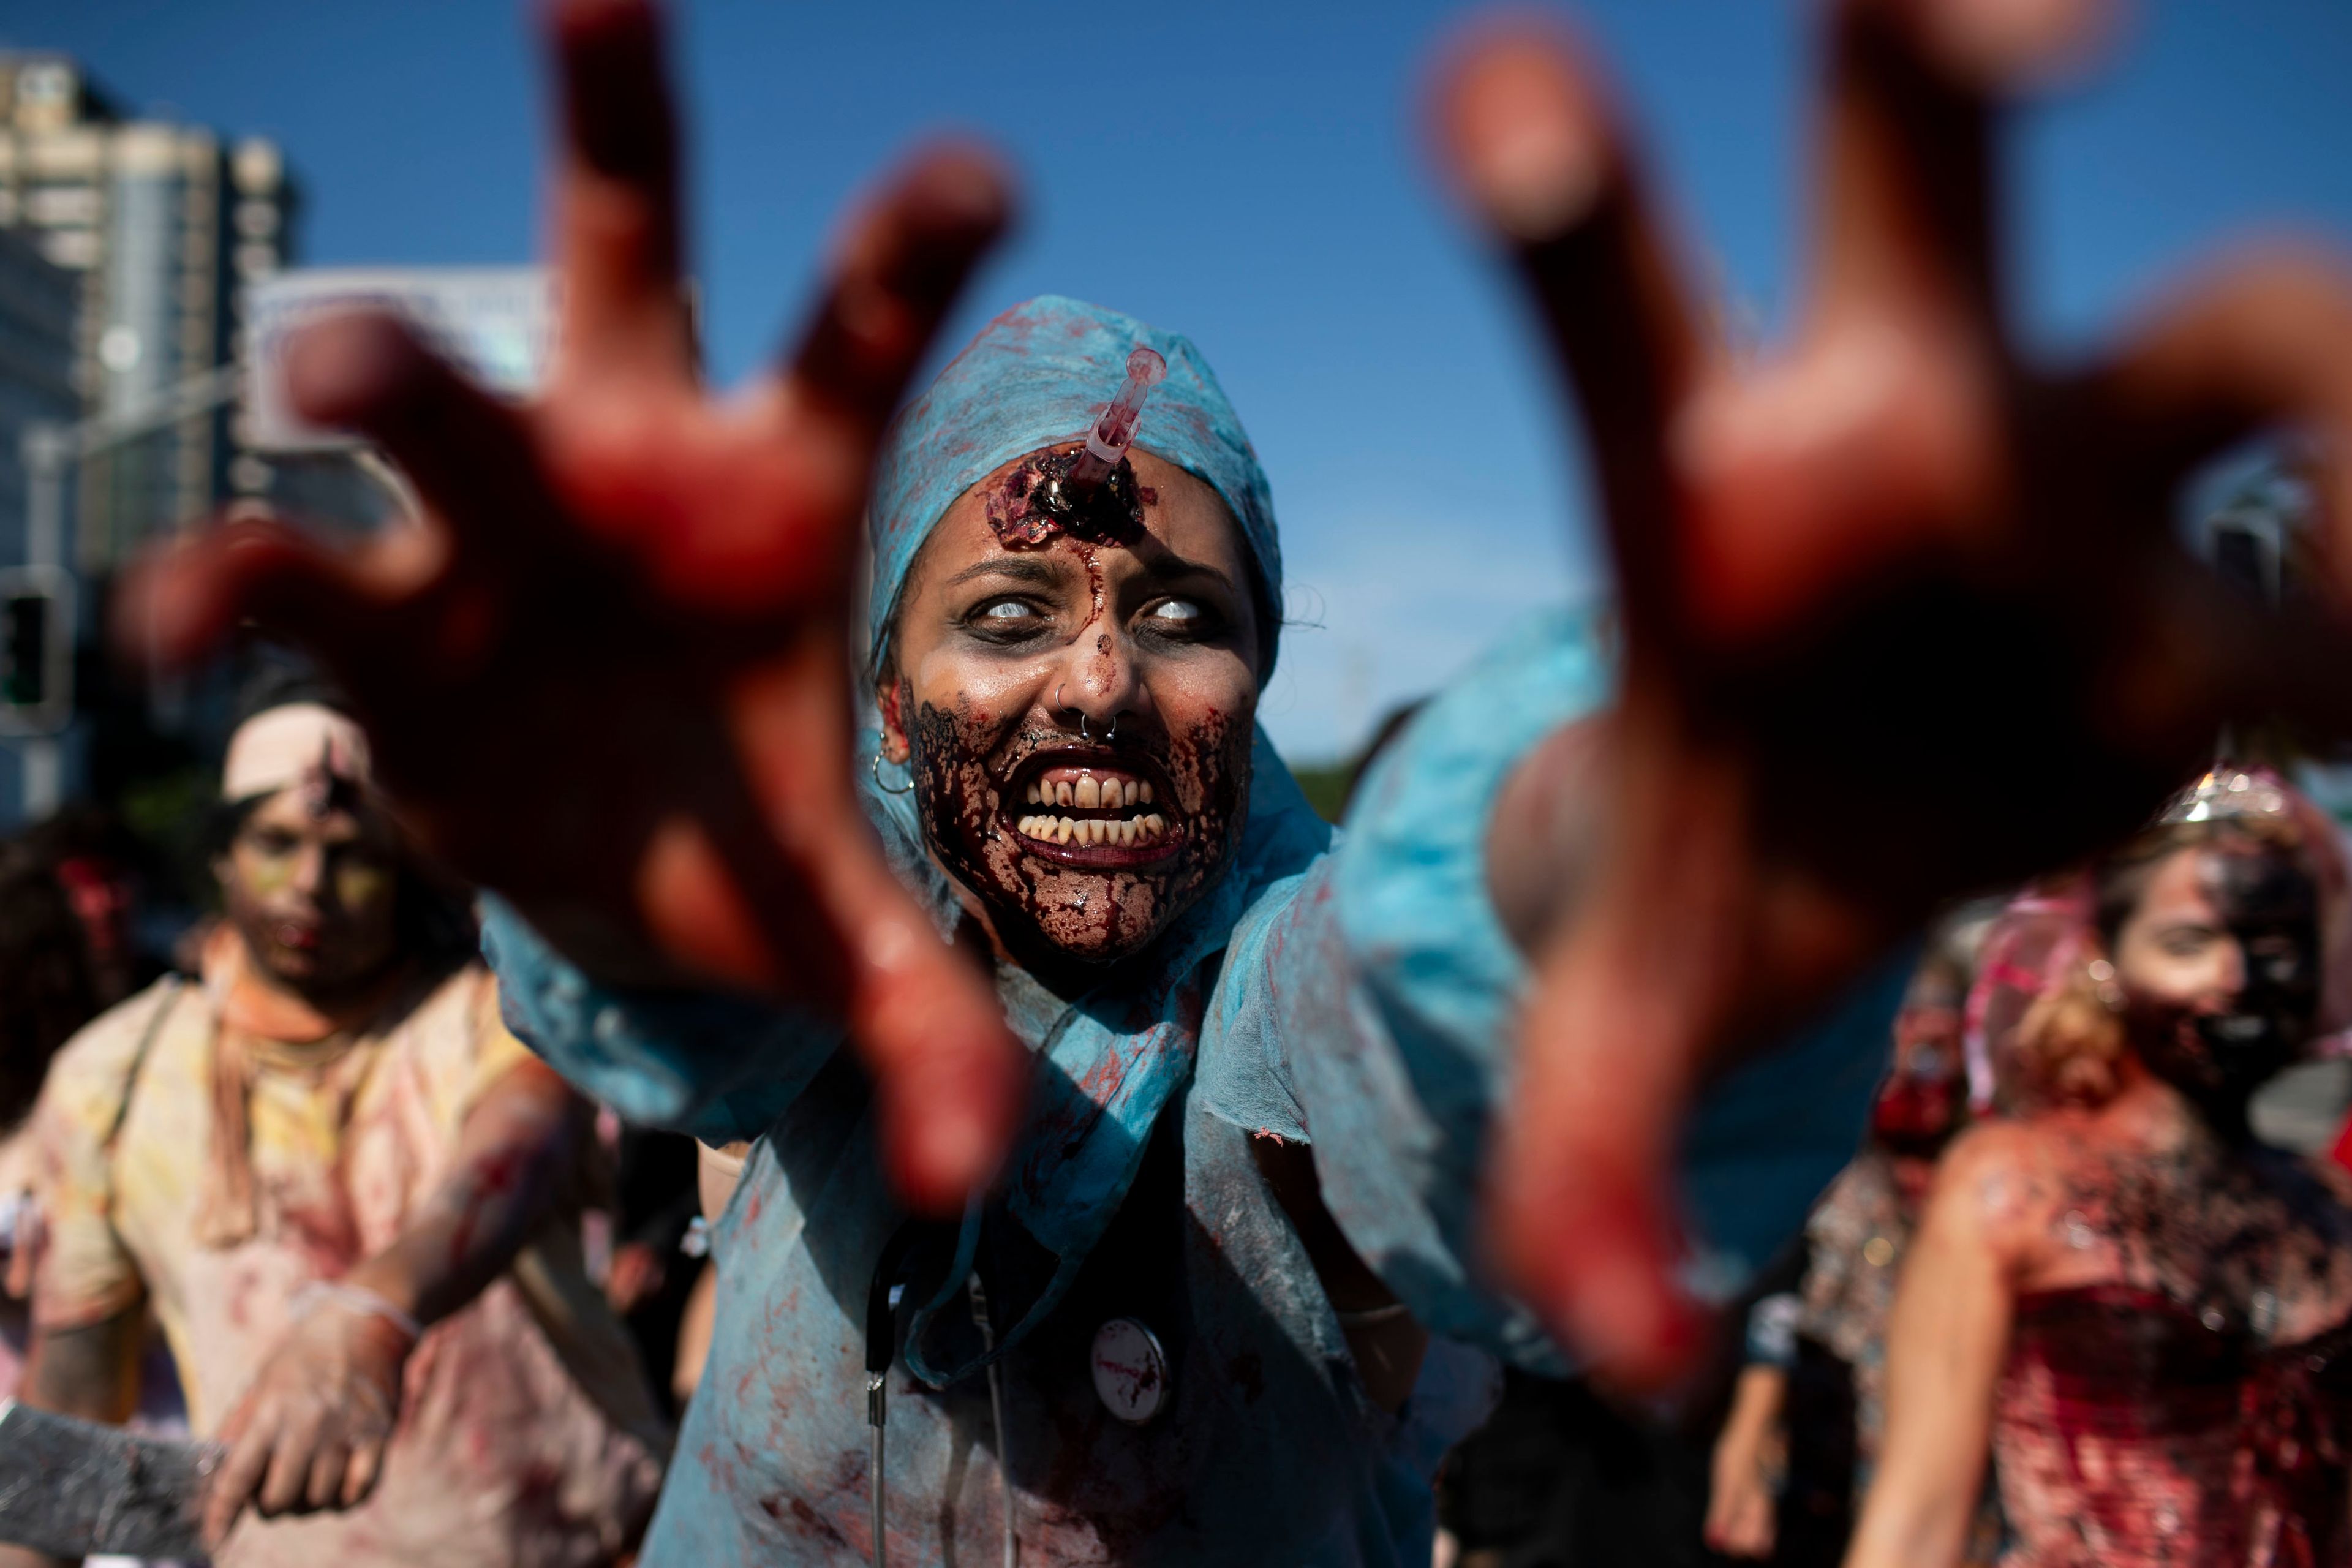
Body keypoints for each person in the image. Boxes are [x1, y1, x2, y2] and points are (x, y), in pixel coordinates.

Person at [125, 0, 2352, 1559]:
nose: (1100, 681)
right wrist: (632, 851)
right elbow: (716, 993)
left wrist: (1685, 813)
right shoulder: (855, 915)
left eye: (1182, 620)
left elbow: (1422, 1029)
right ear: (882, 707)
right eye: (1003, 620)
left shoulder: (1283, 961)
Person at [6, 690, 671, 1568]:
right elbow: (76, 1403)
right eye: (276, 845)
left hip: (574, 1546)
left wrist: (370, 1315)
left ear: (401, 873)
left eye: (351, 855)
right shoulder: (114, 1081)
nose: (310, 887)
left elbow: (512, 1159)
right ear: (223, 856)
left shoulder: (498, 1018)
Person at [1848, 767, 2352, 1568]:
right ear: (2104, 963)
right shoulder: (2013, 1183)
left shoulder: (2329, 1207)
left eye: (2276, 945)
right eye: (2190, 943)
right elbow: (1913, 1528)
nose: (2239, 980)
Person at [1708, 918, 1994, 1565]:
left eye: (1943, 1019)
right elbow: (1775, 1310)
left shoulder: (1983, 1170)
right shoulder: (1823, 1161)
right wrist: (1748, 1442)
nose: (1922, 1041)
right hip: (1821, 1461)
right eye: (1906, 1015)